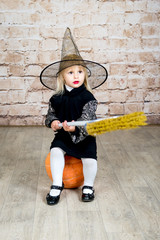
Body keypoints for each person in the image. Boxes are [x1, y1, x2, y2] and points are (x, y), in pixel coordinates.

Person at [40, 28, 108, 205]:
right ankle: (56, 184)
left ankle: (88, 185)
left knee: (90, 159)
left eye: (80, 71)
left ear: (85, 74)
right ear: (62, 76)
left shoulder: (88, 98)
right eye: (70, 72)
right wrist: (53, 122)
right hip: (64, 135)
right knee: (55, 151)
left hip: (84, 136)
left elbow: (87, 119)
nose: (76, 76)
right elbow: (50, 116)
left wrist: (76, 127)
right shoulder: (56, 98)